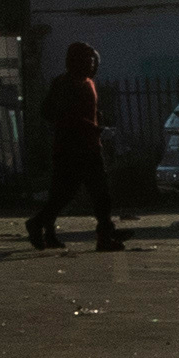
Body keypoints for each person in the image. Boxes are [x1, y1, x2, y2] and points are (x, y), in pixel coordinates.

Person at [29, 41, 124, 251]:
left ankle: (48, 231)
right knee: (93, 195)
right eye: (87, 60)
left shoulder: (83, 82)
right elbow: (64, 115)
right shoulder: (70, 84)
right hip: (76, 148)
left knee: (67, 194)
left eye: (92, 60)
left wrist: (97, 121)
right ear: (75, 62)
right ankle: (102, 237)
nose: (91, 64)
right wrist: (95, 129)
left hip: (82, 146)